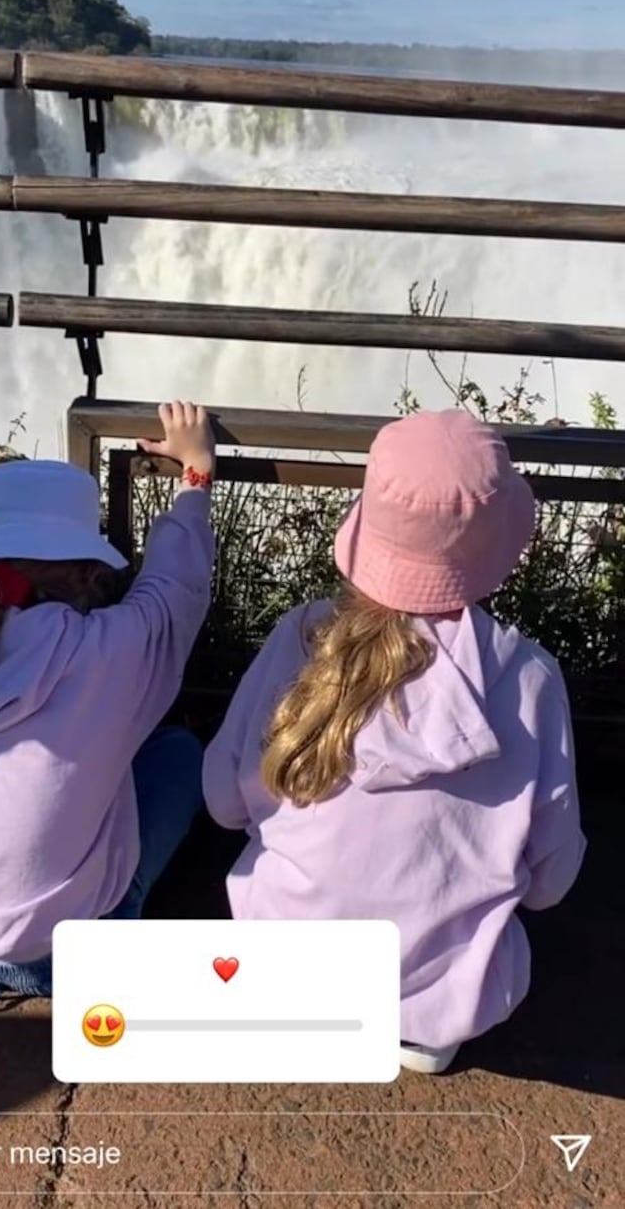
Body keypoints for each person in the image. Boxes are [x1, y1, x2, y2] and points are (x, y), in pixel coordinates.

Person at [203, 408, 586, 1074]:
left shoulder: (298, 640)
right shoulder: (529, 677)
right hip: (449, 1003)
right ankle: (419, 1029)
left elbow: (223, 803)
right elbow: (550, 880)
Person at [0, 401, 216, 1003]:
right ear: (85, 574)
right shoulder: (115, 651)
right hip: (77, 959)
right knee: (177, 753)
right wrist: (195, 475)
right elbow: (176, 585)